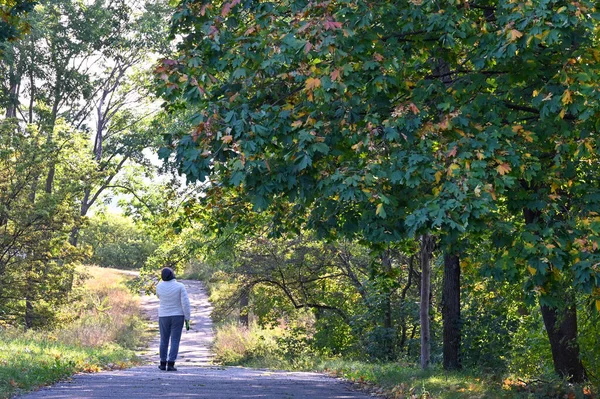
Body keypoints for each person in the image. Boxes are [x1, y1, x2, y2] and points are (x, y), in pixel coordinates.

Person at [156, 267, 191, 371]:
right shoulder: (180, 286)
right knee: (175, 340)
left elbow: (159, 297)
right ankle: (171, 364)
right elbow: (185, 303)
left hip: (163, 315)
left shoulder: (159, 286)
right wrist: (187, 318)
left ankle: (162, 363)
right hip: (177, 316)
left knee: (163, 340)